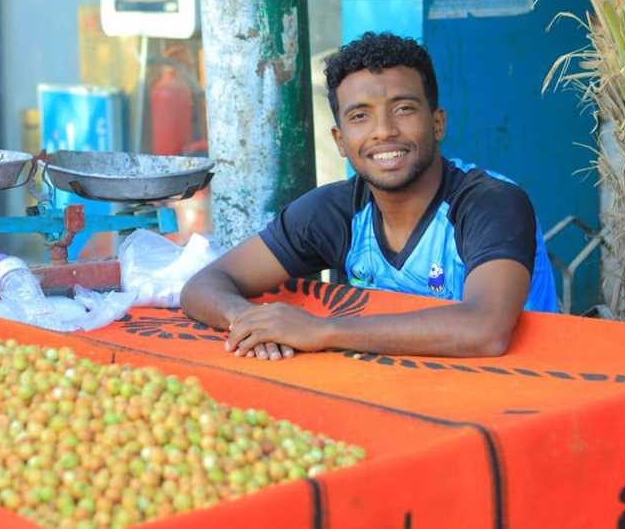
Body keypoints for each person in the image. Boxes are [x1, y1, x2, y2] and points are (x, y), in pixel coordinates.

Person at [180, 32, 558, 360]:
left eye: (403, 109)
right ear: (340, 140)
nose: (384, 131)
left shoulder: (491, 203)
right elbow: (204, 285)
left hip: (521, 396)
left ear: (437, 123)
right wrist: (251, 322)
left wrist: (321, 330)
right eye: (360, 116)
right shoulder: (334, 211)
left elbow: (485, 329)